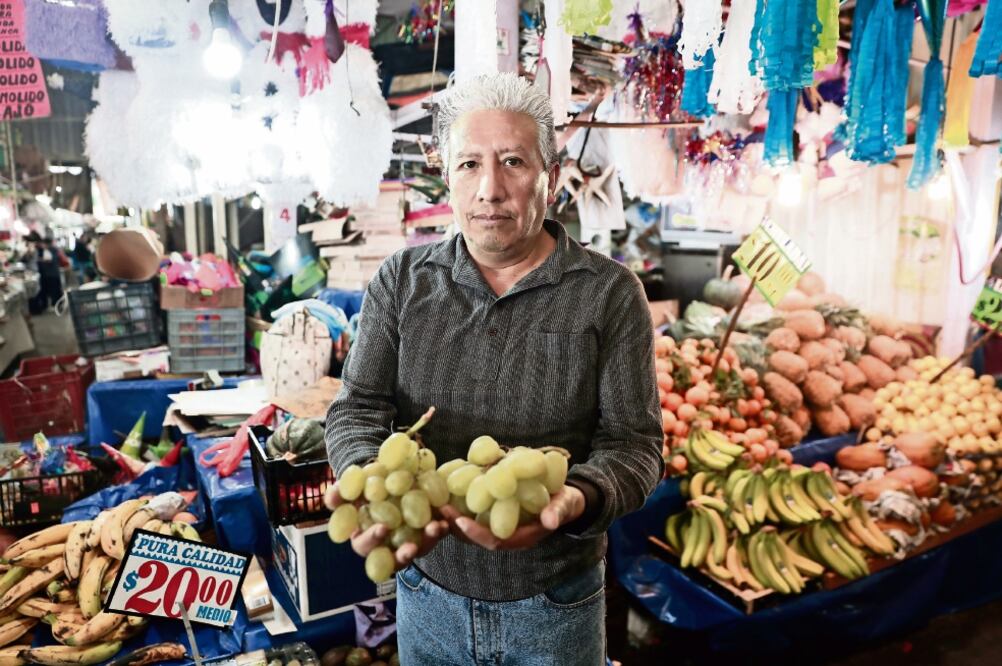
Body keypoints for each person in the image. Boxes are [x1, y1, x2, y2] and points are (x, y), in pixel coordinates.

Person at [325, 72, 663, 665]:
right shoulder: (402, 282)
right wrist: (369, 475)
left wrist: (578, 498)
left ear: (549, 177)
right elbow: (358, 408)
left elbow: (634, 446)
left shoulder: (609, 293)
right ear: (447, 178)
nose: (490, 189)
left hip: (556, 604)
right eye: (469, 164)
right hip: (426, 596)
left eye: (513, 161)